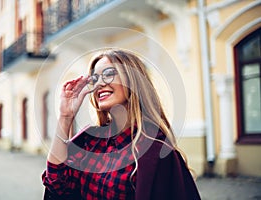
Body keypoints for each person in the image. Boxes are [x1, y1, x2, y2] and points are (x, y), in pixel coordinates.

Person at [42, 48, 201, 199]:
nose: (99, 84)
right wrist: (65, 116)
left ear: (133, 81)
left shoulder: (157, 150)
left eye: (109, 74)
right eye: (95, 78)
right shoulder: (89, 140)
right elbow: (56, 184)